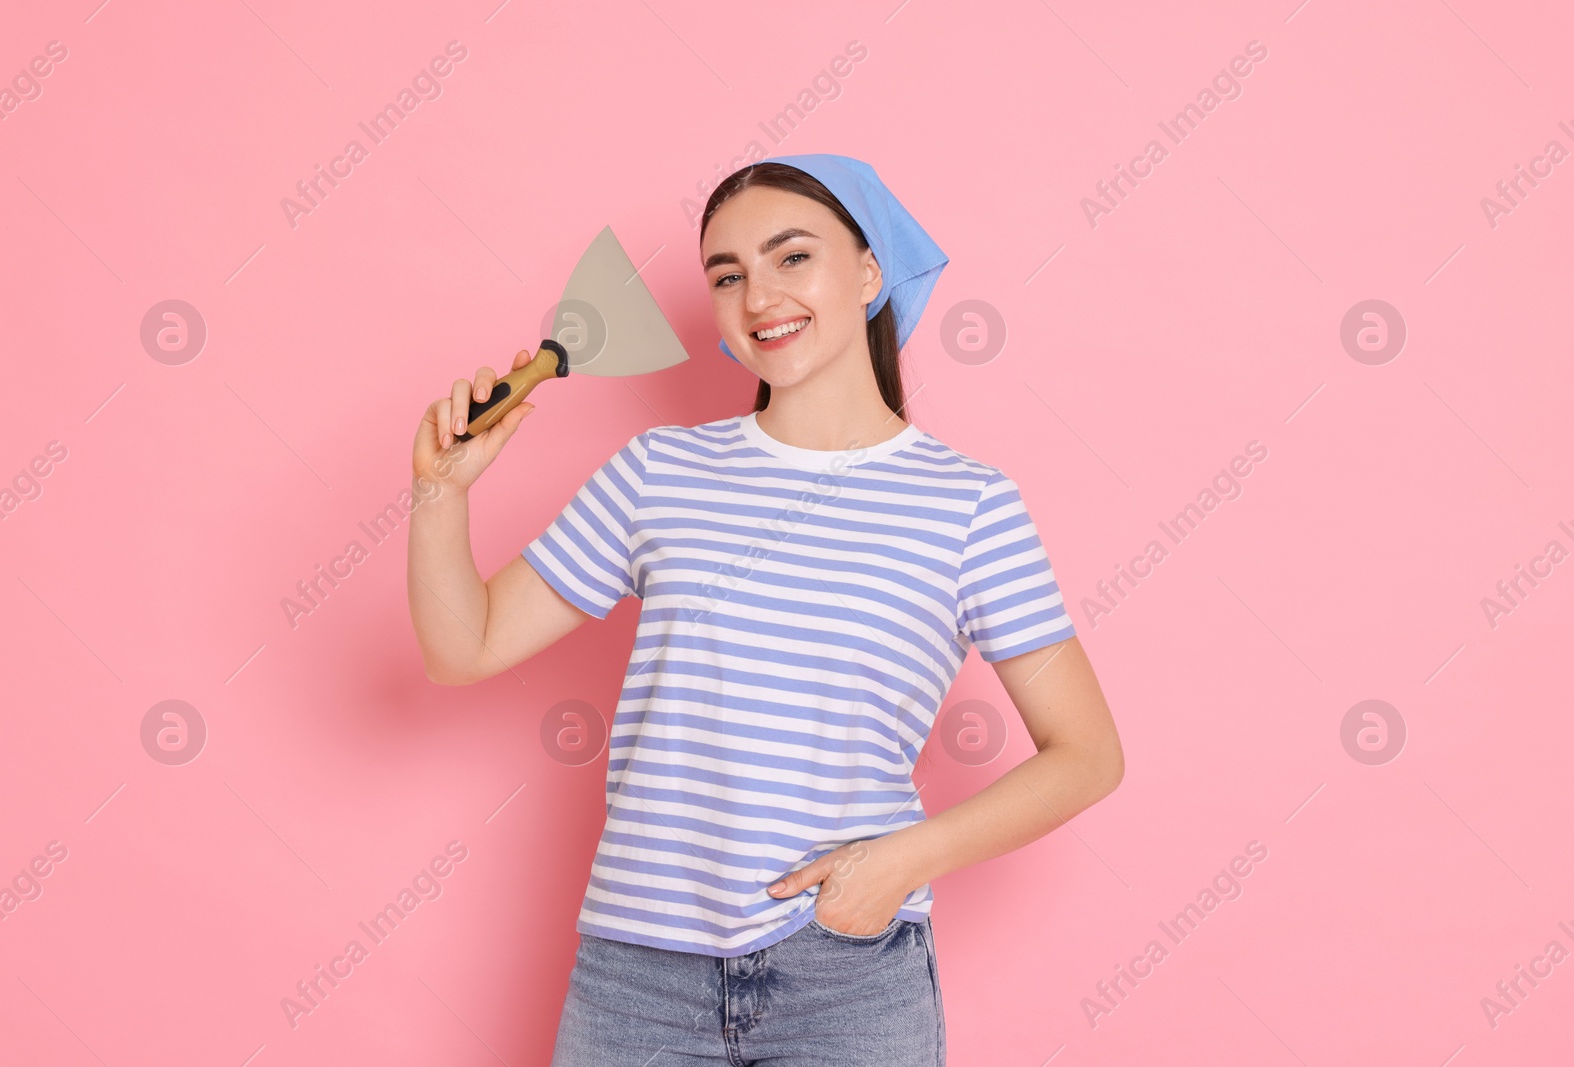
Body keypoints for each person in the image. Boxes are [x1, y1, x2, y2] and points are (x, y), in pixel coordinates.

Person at [406, 154, 1124, 1065]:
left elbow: (1088, 754)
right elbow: (460, 648)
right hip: (637, 980)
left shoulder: (968, 504)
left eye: (792, 257)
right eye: (727, 274)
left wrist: (898, 863)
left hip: (847, 974)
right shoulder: (657, 471)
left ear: (870, 272)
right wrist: (441, 493)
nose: (758, 297)